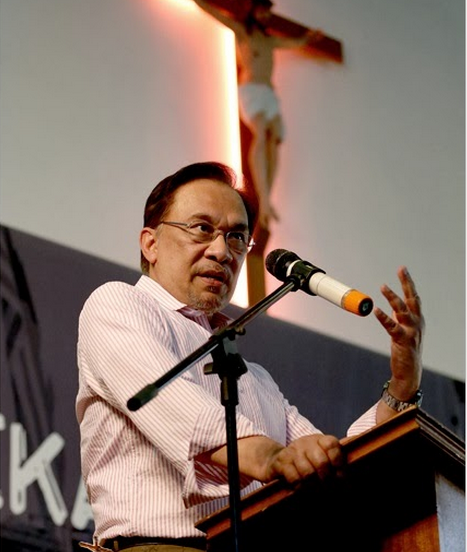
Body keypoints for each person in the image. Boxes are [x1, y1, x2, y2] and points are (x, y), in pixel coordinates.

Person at [76, 161, 424, 552]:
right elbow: (182, 413)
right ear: (150, 244)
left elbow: (332, 462)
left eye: (237, 237)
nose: (222, 251)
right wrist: (272, 457)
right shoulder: (117, 304)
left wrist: (402, 386)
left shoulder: (255, 379)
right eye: (202, 228)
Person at [173, 0, 322, 230]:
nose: (265, 15)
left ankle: (267, 197)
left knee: (275, 140)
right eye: (262, 10)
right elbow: (213, 11)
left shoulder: (269, 40)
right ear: (253, 10)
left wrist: (309, 39)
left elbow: (293, 42)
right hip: (252, 90)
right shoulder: (244, 32)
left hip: (270, 94)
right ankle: (262, 198)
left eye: (268, 12)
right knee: (261, 133)